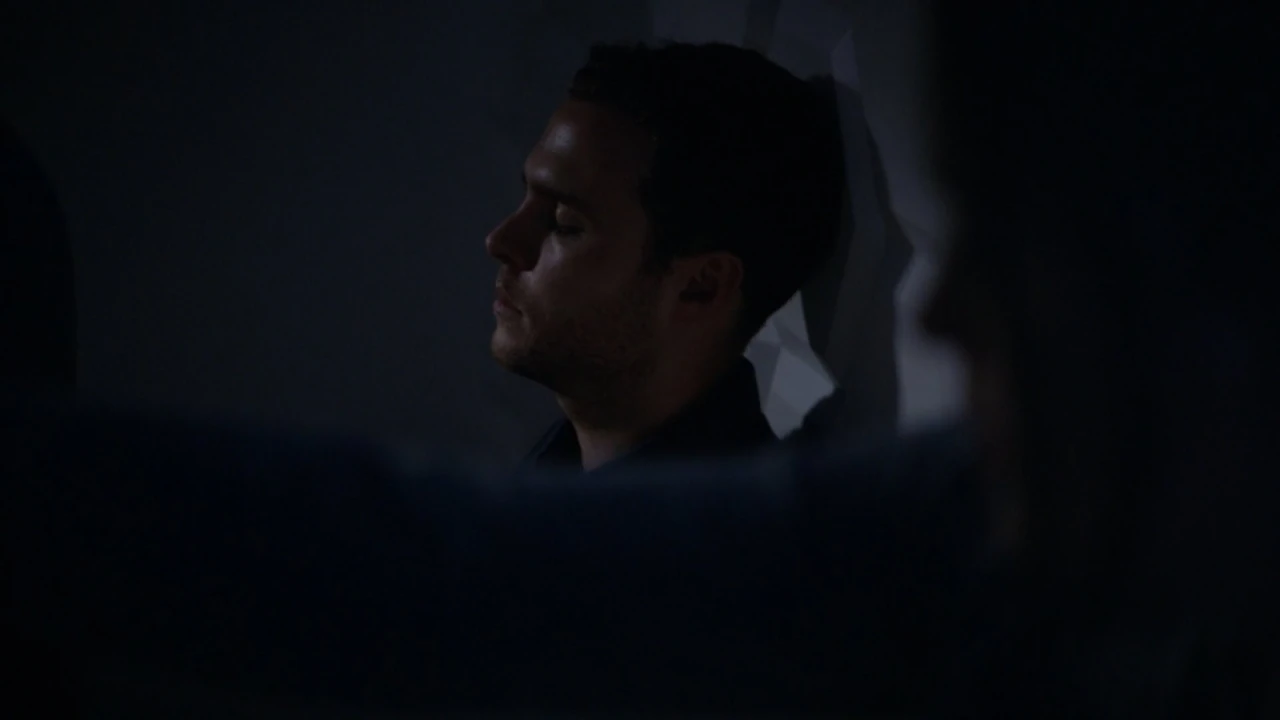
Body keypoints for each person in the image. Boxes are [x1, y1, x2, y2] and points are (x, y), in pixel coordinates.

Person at [486, 42, 846, 472]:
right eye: (527, 196)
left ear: (701, 286)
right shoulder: (541, 487)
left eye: (564, 223)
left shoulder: (735, 514)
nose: (501, 241)